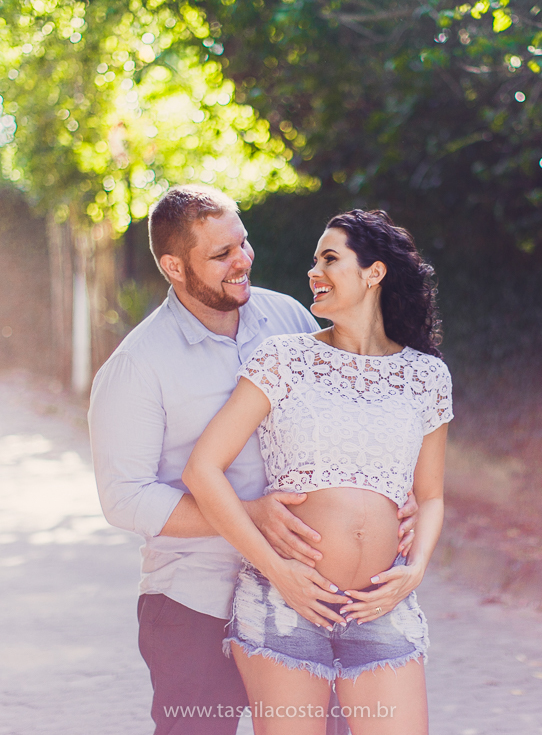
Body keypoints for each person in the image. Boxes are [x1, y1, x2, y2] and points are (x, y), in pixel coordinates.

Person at [89, 187, 416, 735]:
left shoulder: (288, 317)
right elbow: (124, 497)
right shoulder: (137, 368)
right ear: (173, 266)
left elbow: (344, 415)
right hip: (196, 601)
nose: (242, 261)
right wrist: (248, 515)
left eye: (243, 243)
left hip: (307, 598)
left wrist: (387, 495)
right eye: (221, 255)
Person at [182, 209, 452, 735]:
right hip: (284, 602)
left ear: (374, 273)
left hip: (382, 605)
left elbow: (433, 495)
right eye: (313, 260)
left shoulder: (426, 376)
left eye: (330, 258)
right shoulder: (283, 358)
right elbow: (202, 469)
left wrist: (415, 570)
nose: (314, 271)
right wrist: (279, 571)